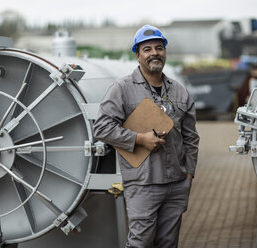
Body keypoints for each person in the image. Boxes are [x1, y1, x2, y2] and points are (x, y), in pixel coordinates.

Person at [93, 25, 199, 248]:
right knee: (140, 243)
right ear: (137, 54)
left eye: (159, 48)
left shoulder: (179, 91)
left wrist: (188, 174)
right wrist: (139, 139)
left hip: (177, 184)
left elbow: (191, 137)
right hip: (143, 185)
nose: (154, 53)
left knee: (168, 243)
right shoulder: (121, 89)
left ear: (165, 52)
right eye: (147, 49)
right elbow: (101, 128)